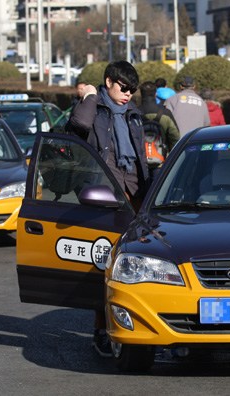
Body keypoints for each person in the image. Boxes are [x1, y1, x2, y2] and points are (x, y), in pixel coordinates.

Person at [66, 60, 149, 358]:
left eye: (132, 90)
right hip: (105, 195)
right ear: (108, 82)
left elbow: (140, 155)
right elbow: (78, 127)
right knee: (106, 266)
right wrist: (89, 96)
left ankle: (146, 325)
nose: (128, 94)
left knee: (141, 265)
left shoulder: (133, 114)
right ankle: (101, 330)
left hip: (136, 195)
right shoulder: (95, 107)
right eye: (123, 88)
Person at [138, 80, 180, 163]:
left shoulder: (134, 113)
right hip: (161, 159)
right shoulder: (165, 113)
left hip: (140, 160)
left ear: (141, 94)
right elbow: (175, 136)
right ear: (155, 94)